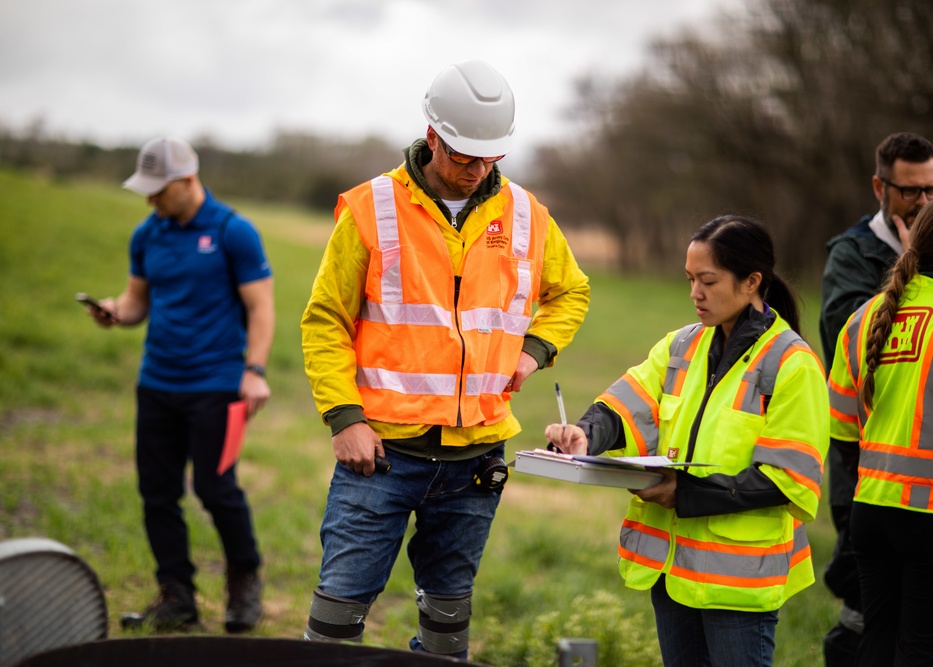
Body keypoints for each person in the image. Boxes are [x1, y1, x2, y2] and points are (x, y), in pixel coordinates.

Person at [299, 60, 590, 659]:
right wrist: (344, 416)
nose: (477, 170)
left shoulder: (527, 215)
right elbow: (324, 319)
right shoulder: (373, 209)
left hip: (475, 459)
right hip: (379, 454)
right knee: (338, 614)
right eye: (463, 156)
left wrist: (534, 352)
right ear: (433, 137)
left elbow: (572, 292)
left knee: (448, 624)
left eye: (490, 158)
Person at [546, 216, 828, 666]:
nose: (695, 292)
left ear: (752, 281)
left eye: (708, 280)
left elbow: (787, 480)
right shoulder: (681, 346)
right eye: (690, 279)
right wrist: (585, 434)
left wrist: (684, 494)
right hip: (670, 570)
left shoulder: (793, 365)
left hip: (738, 585)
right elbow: (626, 405)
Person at [818, 132, 933, 665]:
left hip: (873, 513)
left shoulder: (862, 317)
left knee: (876, 647)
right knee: (928, 653)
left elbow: (843, 430)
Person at [82, 137, 273, 633]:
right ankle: (177, 596)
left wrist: (254, 372)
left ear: (188, 180)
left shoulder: (235, 232)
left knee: (216, 488)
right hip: (157, 384)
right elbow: (136, 301)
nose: (150, 200)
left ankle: (244, 581)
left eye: (158, 190)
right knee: (157, 492)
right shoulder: (147, 235)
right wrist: (114, 312)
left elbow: (261, 308)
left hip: (217, 386)